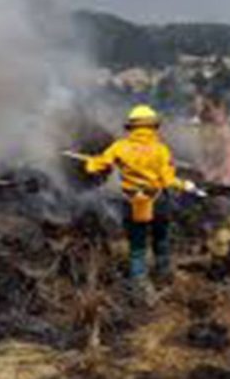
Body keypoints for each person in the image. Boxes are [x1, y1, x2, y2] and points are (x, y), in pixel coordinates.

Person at [83, 105, 199, 299]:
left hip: (135, 202)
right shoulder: (161, 150)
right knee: (160, 238)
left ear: (131, 127)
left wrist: (92, 162)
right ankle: (163, 273)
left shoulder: (120, 147)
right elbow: (168, 180)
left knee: (138, 246)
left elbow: (94, 168)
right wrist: (186, 184)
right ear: (153, 126)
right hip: (159, 201)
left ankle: (139, 284)